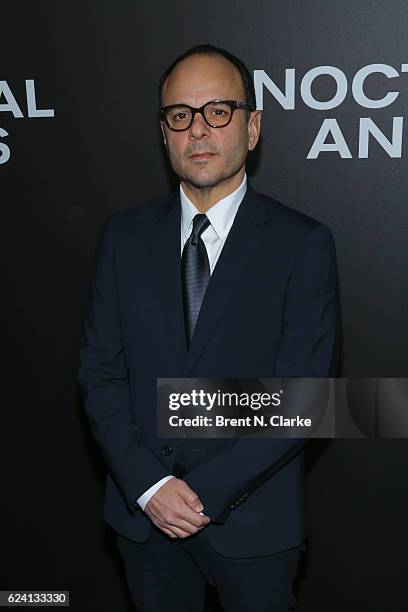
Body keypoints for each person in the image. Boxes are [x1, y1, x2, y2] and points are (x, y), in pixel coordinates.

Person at [77, 43, 340, 612]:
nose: (198, 130)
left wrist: (202, 494)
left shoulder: (302, 244)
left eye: (218, 110)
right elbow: (100, 375)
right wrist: (149, 487)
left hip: (254, 524)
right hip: (143, 520)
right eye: (181, 115)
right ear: (164, 132)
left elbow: (305, 395)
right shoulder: (123, 238)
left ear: (252, 127)